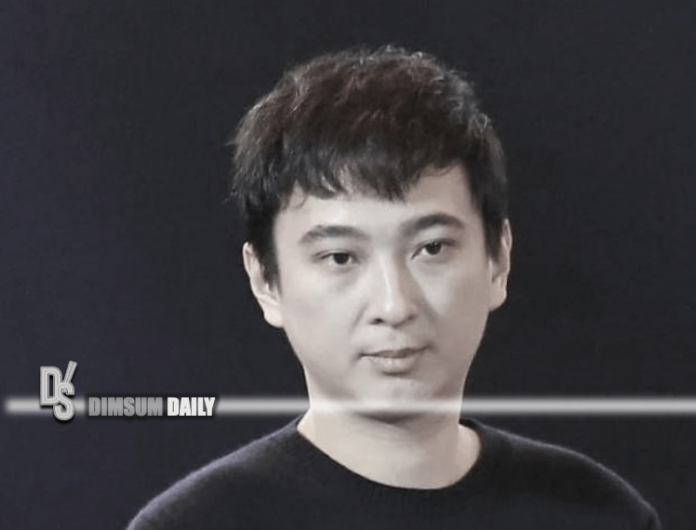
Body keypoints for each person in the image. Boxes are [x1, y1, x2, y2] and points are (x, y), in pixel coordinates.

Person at [127, 46, 661, 529]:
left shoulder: (601, 514)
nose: (393, 304)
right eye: (340, 257)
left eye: (431, 248)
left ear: (497, 260)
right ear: (265, 280)